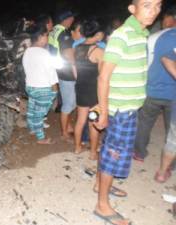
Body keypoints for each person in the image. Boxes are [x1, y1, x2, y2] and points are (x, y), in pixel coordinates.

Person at [93, 0, 162, 224]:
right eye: (147, 5)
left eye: (158, 5)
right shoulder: (123, 36)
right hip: (120, 110)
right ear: (133, 9)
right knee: (114, 155)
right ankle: (102, 206)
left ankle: (99, 184)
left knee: (108, 149)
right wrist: (103, 111)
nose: (153, 11)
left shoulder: (141, 33)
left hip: (127, 108)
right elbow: (103, 77)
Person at [134, 6, 176, 162]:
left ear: (171, 18)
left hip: (152, 89)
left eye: (164, 17)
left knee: (144, 122)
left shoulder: (153, 37)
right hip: (173, 94)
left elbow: (142, 63)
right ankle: (170, 162)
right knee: (172, 128)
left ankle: (139, 152)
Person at [73, 20, 104, 160]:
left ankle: (77, 148)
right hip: (93, 91)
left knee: (80, 120)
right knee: (93, 122)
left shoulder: (77, 48)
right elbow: (102, 76)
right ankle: (92, 153)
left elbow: (75, 71)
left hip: (80, 87)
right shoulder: (98, 51)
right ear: (97, 33)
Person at [22, 26, 58, 144]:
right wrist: (55, 88)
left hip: (30, 87)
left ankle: (32, 129)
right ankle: (41, 138)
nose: (47, 38)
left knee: (32, 109)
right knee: (39, 114)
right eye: (46, 36)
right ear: (41, 37)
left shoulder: (27, 51)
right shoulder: (44, 53)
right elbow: (51, 72)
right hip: (43, 88)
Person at [48, 10, 76, 142]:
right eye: (71, 19)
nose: (72, 21)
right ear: (66, 19)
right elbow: (66, 53)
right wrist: (75, 66)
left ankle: (68, 125)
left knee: (67, 100)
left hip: (57, 68)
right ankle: (64, 131)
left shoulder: (54, 30)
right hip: (66, 70)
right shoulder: (64, 33)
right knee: (69, 103)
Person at [152, 27, 176, 183]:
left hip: (154, 88)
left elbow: (165, 58)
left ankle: (162, 172)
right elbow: (166, 58)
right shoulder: (168, 36)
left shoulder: (160, 36)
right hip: (158, 89)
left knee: (173, 140)